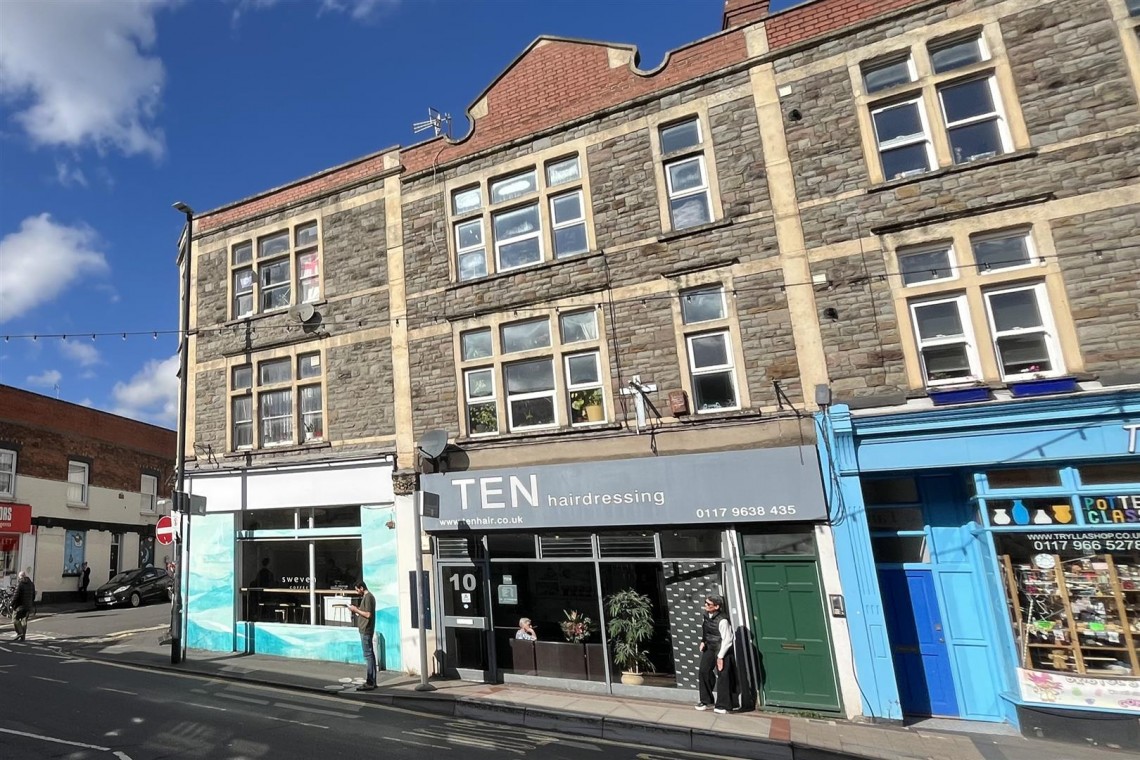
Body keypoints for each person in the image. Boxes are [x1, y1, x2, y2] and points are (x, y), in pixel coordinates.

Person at [695, 594, 734, 714]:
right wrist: (703, 641)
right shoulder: (706, 616)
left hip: (722, 649)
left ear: (716, 606)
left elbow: (728, 639)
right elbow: (705, 630)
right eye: (705, 602)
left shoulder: (723, 620)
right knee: (704, 671)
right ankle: (706, 700)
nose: (705, 605)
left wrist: (720, 656)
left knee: (723, 676)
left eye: (708, 604)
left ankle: (723, 705)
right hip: (710, 647)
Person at [347, 580, 377, 690]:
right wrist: (357, 610)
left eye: (357, 590)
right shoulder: (368, 597)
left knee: (368, 656)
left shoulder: (368, 597)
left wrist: (356, 610)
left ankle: (370, 682)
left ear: (361, 588)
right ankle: (372, 681)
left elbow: (368, 614)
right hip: (366, 629)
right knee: (370, 655)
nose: (357, 592)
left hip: (366, 630)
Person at [12, 571, 36, 642]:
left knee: (15, 619)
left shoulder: (20, 584)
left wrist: (12, 604)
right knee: (24, 620)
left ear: (20, 577)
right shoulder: (31, 584)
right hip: (28, 606)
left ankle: (20, 632)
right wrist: (30, 603)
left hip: (19, 606)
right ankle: (23, 637)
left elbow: (16, 596)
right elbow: (33, 595)